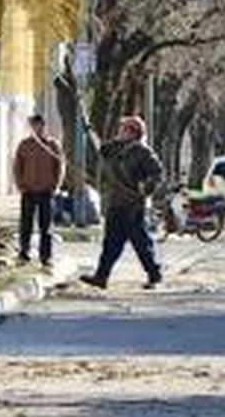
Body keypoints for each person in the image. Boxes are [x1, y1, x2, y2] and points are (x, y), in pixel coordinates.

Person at [80, 115, 164, 289]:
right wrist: (90, 129)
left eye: (124, 129)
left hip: (133, 206)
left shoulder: (143, 152)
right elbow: (101, 150)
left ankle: (154, 274)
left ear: (134, 133)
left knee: (140, 242)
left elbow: (157, 175)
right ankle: (101, 277)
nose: (120, 131)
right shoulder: (116, 149)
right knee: (111, 242)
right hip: (116, 203)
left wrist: (145, 189)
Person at [13, 114, 64, 267]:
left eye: (39, 125)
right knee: (26, 224)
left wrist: (56, 185)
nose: (36, 128)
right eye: (33, 125)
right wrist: (20, 184)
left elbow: (60, 166)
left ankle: (46, 256)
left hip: (46, 191)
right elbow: (17, 167)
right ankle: (24, 253)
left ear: (43, 126)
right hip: (28, 190)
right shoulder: (24, 145)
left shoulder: (52, 145)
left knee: (46, 226)